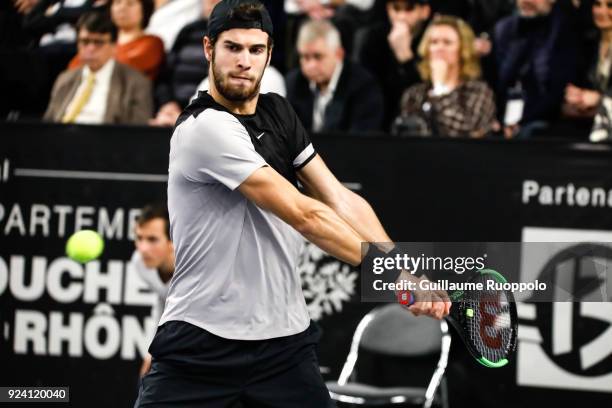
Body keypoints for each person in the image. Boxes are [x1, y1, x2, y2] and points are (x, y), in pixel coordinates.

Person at [134, 1, 450, 407]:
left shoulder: (279, 113)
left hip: (283, 345)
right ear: (209, 48)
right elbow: (305, 213)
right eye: (233, 48)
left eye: (255, 50)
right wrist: (393, 278)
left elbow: (337, 197)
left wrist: (401, 269)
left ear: (268, 54)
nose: (244, 61)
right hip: (202, 341)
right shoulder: (204, 128)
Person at [44, 11, 153, 124]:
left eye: (98, 42)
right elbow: (48, 126)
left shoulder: (136, 83)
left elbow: (137, 134)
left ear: (114, 46)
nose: (90, 48)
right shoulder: (64, 79)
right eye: (85, 42)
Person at [396, 15, 496, 138]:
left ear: (463, 50)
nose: (439, 48)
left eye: (447, 42)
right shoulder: (414, 94)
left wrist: (439, 90)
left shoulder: (479, 92)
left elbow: (464, 132)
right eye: (434, 42)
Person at [494, 0, 579, 138]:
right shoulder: (504, 28)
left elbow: (557, 91)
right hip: (506, 114)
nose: (526, 1)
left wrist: (521, 121)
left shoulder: (564, 30)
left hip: (546, 120)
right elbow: (497, 81)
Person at [285, 18, 384, 132]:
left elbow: (361, 142)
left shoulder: (364, 87)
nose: (310, 65)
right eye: (305, 57)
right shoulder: (293, 83)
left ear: (339, 54)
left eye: (318, 57)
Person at [355, 0, 431, 129]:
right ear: (388, 10)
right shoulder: (373, 38)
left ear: (424, 11)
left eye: (409, 8)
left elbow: (426, 93)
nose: (402, 16)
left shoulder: (434, 41)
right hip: (382, 120)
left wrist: (406, 59)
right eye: (396, 9)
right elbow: (368, 87)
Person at [149, 0, 221, 127]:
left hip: (206, 117)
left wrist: (187, 115)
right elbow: (164, 76)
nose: (211, 1)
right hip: (171, 112)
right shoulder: (188, 31)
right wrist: (167, 103)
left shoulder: (236, 37)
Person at [69, 0, 165, 80]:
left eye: (130, 3)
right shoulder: (100, 40)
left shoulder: (153, 42)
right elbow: (73, 67)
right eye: (117, 2)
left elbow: (124, 68)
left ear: (144, 9)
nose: (122, 8)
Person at [131, 204, 175, 378]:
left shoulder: (194, 267)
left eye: (152, 239)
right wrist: (152, 351)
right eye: (139, 238)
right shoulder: (139, 264)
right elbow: (163, 300)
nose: (142, 249)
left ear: (172, 241)